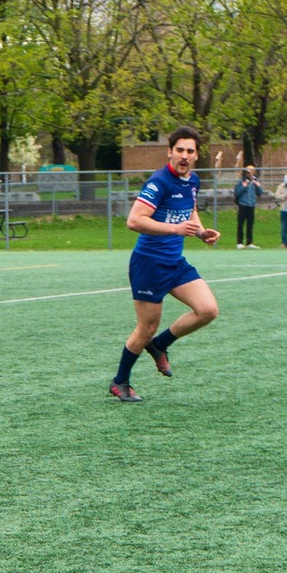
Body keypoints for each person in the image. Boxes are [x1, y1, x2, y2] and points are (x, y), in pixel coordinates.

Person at [110, 128, 221, 404]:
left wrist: (200, 232)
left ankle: (160, 345)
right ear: (169, 152)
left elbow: (189, 210)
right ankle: (120, 381)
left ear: (196, 155)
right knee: (145, 328)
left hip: (175, 263)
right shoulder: (158, 183)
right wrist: (176, 229)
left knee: (208, 310)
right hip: (149, 264)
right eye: (180, 150)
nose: (185, 156)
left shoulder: (192, 180)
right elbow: (134, 221)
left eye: (190, 151)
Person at [233, 166, 261, 248]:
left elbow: (259, 193)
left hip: (251, 205)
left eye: (250, 172)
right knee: (240, 224)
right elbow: (237, 193)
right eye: (247, 172)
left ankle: (249, 243)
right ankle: (239, 243)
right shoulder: (241, 181)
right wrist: (244, 186)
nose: (248, 173)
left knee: (250, 225)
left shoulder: (255, 181)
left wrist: (258, 186)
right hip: (243, 205)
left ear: (253, 172)